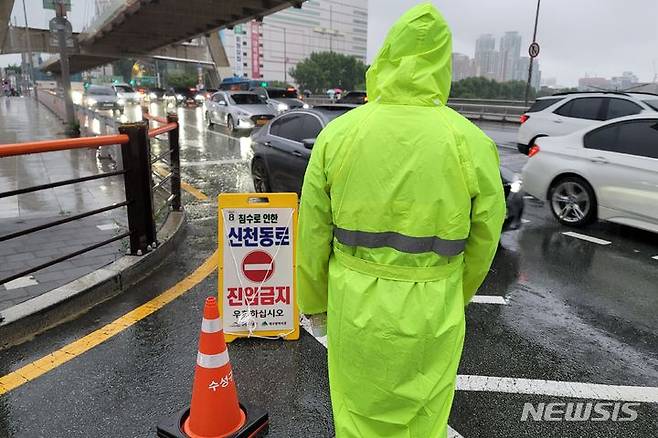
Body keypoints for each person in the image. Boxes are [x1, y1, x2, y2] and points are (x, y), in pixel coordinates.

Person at [296, 3, 505, 438]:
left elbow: (313, 230)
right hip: (433, 306)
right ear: (442, 64)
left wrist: (314, 300)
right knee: (425, 416)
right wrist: (455, 292)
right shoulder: (470, 141)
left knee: (356, 415)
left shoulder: (339, 134)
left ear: (387, 56)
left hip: (355, 303)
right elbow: (485, 237)